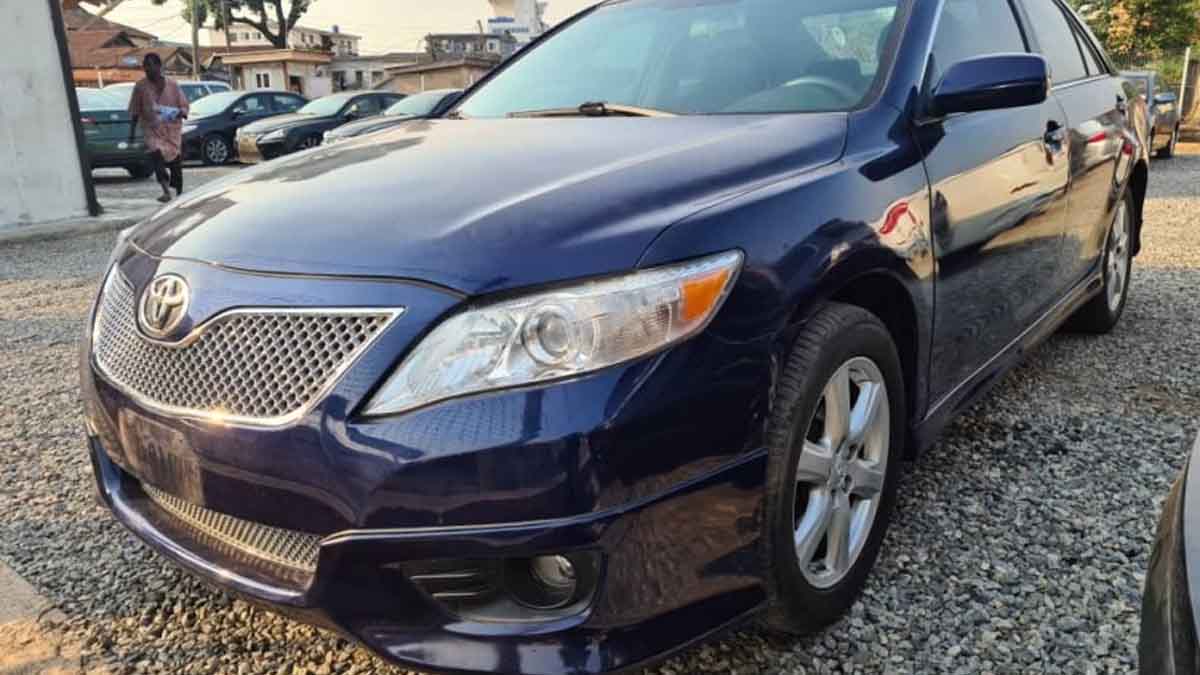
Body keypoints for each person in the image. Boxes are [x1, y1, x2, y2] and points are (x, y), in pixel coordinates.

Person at [127, 53, 189, 203]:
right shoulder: (140, 87)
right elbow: (135, 110)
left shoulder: (172, 85)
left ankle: (179, 193)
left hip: (172, 130)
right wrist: (132, 132)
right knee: (156, 155)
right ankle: (166, 190)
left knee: (175, 162)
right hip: (152, 130)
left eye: (151, 65)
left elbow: (184, 105)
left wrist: (180, 112)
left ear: (159, 66)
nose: (148, 69)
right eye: (145, 66)